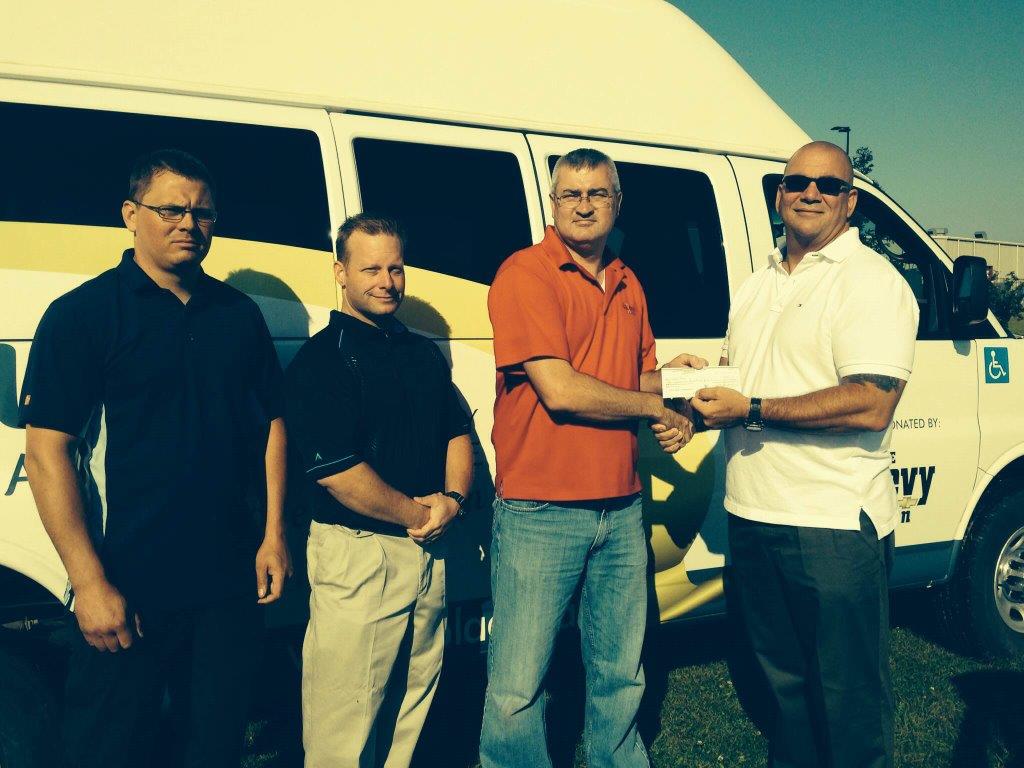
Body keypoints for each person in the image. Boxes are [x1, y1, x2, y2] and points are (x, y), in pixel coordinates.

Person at [20, 149, 290, 768]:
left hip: (227, 584)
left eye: (202, 213)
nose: (188, 224)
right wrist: (90, 583)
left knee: (214, 747)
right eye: (170, 209)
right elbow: (46, 450)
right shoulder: (83, 315)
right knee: (109, 748)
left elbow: (271, 426)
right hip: (126, 583)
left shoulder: (238, 315)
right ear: (130, 214)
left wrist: (273, 536)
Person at [688, 141, 919, 768]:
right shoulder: (758, 283)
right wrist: (699, 387)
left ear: (850, 202)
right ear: (778, 195)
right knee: (781, 699)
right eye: (797, 182)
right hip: (753, 514)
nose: (810, 193)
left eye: (828, 184)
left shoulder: (870, 281)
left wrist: (752, 409)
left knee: (848, 705)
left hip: (831, 524)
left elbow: (871, 402)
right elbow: (751, 377)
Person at [480, 147, 701, 768]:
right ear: (553, 204)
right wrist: (654, 406)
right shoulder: (526, 273)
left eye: (597, 193)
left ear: (616, 203)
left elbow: (634, 377)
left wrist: (677, 385)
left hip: (621, 507)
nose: (583, 206)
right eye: (571, 194)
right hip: (541, 509)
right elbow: (560, 388)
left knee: (620, 672)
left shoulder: (628, 281)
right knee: (518, 685)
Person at [285, 213, 473, 768]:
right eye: (371, 269)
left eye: (395, 268)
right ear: (340, 273)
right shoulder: (321, 361)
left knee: (412, 699)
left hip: (427, 547)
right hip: (359, 556)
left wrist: (454, 500)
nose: (387, 282)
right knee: (343, 719)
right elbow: (339, 473)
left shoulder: (421, 353)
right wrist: (420, 514)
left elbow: (456, 431)